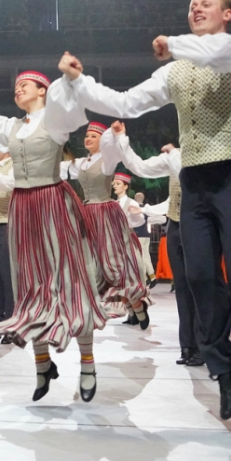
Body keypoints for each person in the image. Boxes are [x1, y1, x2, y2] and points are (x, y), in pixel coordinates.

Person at [60, 0, 231, 421]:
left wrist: (172, 44)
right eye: (192, 3)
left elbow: (213, 53)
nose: (196, 7)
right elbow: (125, 103)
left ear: (228, 13)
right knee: (196, 276)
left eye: (207, 3)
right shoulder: (174, 71)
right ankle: (223, 367)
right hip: (195, 177)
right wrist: (79, 80)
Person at [0, 66, 104, 402]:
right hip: (23, 207)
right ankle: (42, 363)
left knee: (70, 280)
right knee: (30, 284)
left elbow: (74, 110)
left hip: (52, 202)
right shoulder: (11, 126)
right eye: (16, 85)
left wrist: (71, 79)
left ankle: (88, 363)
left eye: (25, 85)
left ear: (43, 90)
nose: (18, 90)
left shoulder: (55, 119)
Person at [111, 126, 202, 366]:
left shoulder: (207, 157)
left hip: (201, 227)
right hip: (176, 226)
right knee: (182, 288)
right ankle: (188, 346)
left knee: (202, 286)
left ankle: (205, 345)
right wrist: (121, 138)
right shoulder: (173, 158)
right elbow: (140, 167)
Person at [66, 121, 151, 329]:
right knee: (88, 264)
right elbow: (59, 170)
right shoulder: (81, 163)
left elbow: (115, 149)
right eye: (87, 135)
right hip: (86, 215)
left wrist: (116, 135)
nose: (88, 138)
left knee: (114, 263)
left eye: (93, 136)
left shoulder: (107, 160)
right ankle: (99, 307)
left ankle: (136, 304)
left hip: (105, 214)